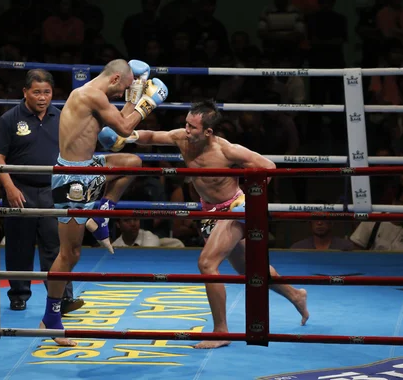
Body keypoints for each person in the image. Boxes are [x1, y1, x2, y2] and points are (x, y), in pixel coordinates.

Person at [98, 99, 308, 349]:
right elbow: (152, 135)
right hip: (209, 212)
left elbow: (268, 167)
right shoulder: (181, 138)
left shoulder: (226, 150)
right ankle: (296, 295)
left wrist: (251, 203)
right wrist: (126, 136)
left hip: (234, 208)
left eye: (193, 128)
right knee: (248, 268)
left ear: (208, 132)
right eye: (186, 124)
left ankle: (221, 332)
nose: (187, 131)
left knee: (207, 263)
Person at [41, 59, 168, 346]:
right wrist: (148, 103)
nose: (119, 94)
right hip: (72, 180)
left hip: (90, 165)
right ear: (113, 80)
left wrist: (133, 99)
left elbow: (111, 138)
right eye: (121, 88)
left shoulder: (96, 97)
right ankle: (51, 317)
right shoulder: (89, 95)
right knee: (69, 254)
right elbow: (124, 129)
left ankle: (102, 212)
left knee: (132, 162)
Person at [0, 69, 83, 314]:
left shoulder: (62, 117)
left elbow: (71, 152)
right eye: (37, 92)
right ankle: (18, 295)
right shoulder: (9, 119)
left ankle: (63, 299)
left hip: (54, 190)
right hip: (20, 189)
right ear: (25, 92)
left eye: (47, 92)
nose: (42, 97)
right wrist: (8, 186)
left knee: (58, 246)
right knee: (19, 246)